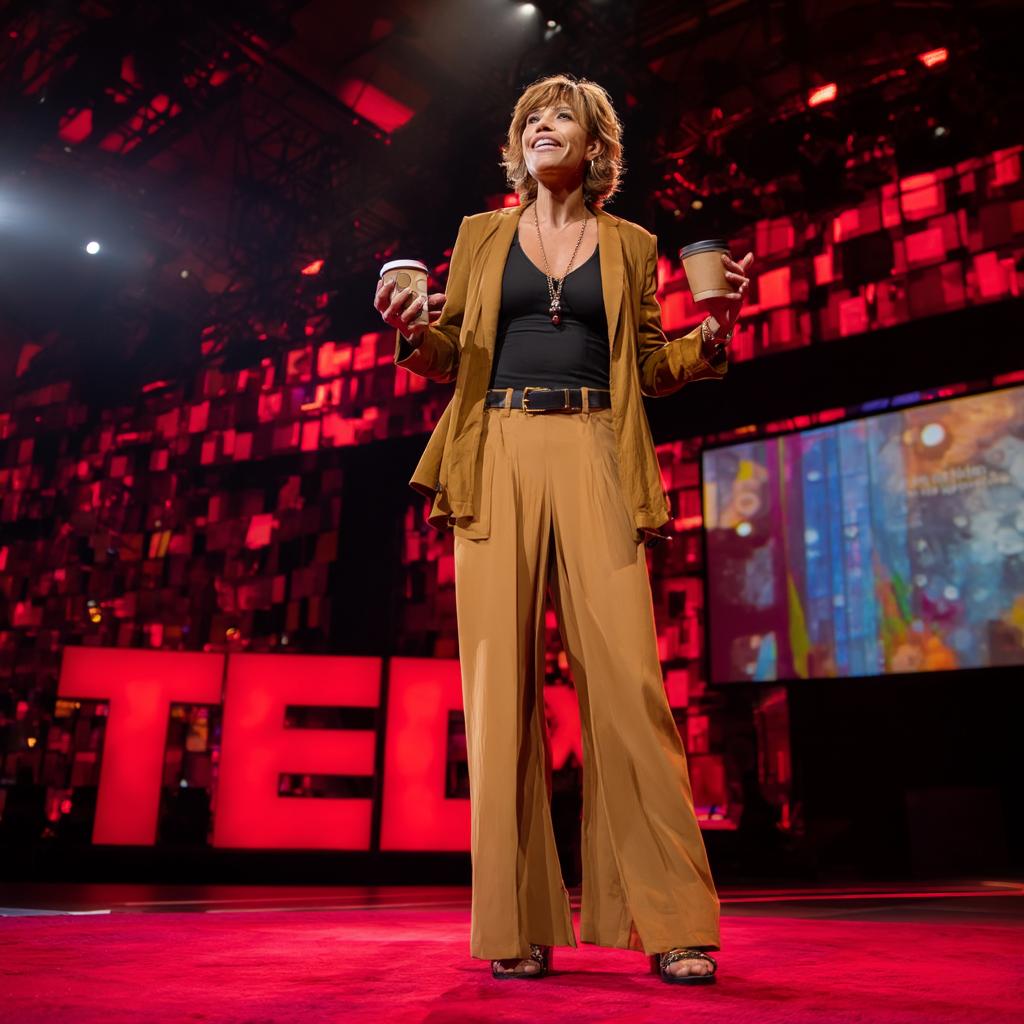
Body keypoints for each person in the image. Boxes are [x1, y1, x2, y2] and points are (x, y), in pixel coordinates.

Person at [374, 74, 752, 985]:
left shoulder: (632, 245)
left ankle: (672, 923)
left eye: (563, 119)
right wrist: (408, 332)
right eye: (532, 119)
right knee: (499, 696)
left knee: (631, 689)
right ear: (519, 144)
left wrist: (716, 332)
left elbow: (651, 366)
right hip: (495, 451)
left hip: (596, 450)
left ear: (596, 147)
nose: (544, 127)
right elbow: (450, 352)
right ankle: (518, 923)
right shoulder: (479, 235)